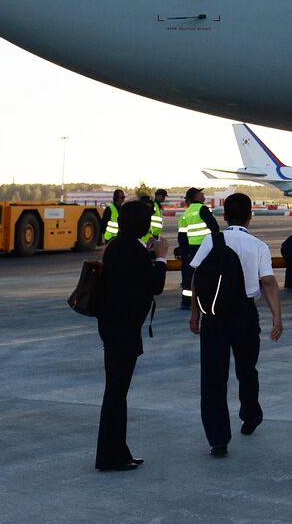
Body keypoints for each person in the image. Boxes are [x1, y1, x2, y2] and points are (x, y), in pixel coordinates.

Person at [188, 194, 282, 457]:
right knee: (247, 369)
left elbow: (197, 277)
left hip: (214, 316)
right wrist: (277, 316)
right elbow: (268, 282)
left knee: (213, 377)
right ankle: (250, 414)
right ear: (251, 216)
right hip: (245, 315)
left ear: (225, 216)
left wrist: (195, 312)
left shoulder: (211, 240)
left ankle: (218, 439)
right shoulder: (258, 246)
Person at [95, 201, 169, 471]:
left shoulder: (116, 246)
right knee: (116, 394)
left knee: (116, 392)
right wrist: (160, 257)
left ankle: (118, 452)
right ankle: (109, 457)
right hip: (123, 331)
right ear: (142, 222)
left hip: (112, 327)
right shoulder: (133, 251)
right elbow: (155, 286)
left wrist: (148, 255)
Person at [177, 188, 211, 309]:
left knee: (188, 276)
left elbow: (181, 237)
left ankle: (186, 302)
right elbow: (214, 228)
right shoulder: (203, 209)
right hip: (205, 248)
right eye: (200, 193)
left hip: (190, 250)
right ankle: (205, 302)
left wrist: (184, 253)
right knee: (207, 275)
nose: (203, 195)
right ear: (195, 197)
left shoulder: (185, 215)